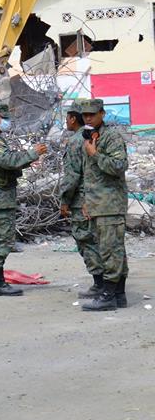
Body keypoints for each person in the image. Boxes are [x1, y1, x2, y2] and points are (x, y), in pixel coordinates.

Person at [0, 101, 47, 296]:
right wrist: (32, 154)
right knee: (2, 238)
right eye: (3, 118)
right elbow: (7, 161)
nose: (7, 122)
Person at [78, 98, 129, 311]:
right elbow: (89, 176)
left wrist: (95, 154)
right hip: (98, 203)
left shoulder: (111, 137)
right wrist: (87, 201)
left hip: (110, 203)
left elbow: (119, 166)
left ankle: (108, 294)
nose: (88, 118)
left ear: (102, 114)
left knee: (110, 250)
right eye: (85, 115)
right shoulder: (90, 137)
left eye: (92, 114)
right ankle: (118, 294)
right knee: (111, 249)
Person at [59, 99, 104, 298]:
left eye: (67, 118)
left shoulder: (76, 140)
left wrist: (65, 200)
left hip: (82, 200)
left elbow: (73, 176)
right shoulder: (93, 136)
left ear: (72, 119)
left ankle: (100, 283)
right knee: (99, 239)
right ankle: (107, 283)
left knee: (86, 241)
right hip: (98, 196)